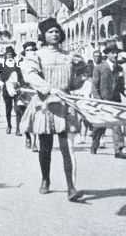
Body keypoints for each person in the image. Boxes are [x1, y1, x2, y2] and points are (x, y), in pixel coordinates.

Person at [20, 18, 81, 202]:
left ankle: (71, 187)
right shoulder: (36, 56)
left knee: (67, 148)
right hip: (45, 105)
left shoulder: (68, 55)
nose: (54, 34)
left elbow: (76, 80)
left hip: (65, 104)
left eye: (56, 31)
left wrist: (80, 76)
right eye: (50, 32)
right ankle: (45, 179)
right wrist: (48, 88)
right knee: (45, 148)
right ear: (44, 35)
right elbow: (30, 75)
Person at [91, 44, 125, 158]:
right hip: (103, 101)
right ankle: (94, 144)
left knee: (116, 124)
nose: (115, 55)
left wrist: (125, 92)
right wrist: (99, 100)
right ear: (107, 54)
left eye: (116, 53)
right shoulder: (99, 67)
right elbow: (94, 86)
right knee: (99, 126)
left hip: (115, 101)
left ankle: (119, 149)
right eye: (112, 53)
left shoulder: (119, 68)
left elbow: (120, 85)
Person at [0, 46, 24, 135]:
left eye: (11, 54)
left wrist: (20, 83)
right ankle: (9, 125)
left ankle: (18, 129)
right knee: (8, 109)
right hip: (6, 89)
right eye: (8, 54)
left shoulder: (17, 65)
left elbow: (21, 75)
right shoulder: (2, 65)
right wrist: (0, 81)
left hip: (17, 89)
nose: (9, 56)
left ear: (13, 55)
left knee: (18, 109)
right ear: (5, 55)